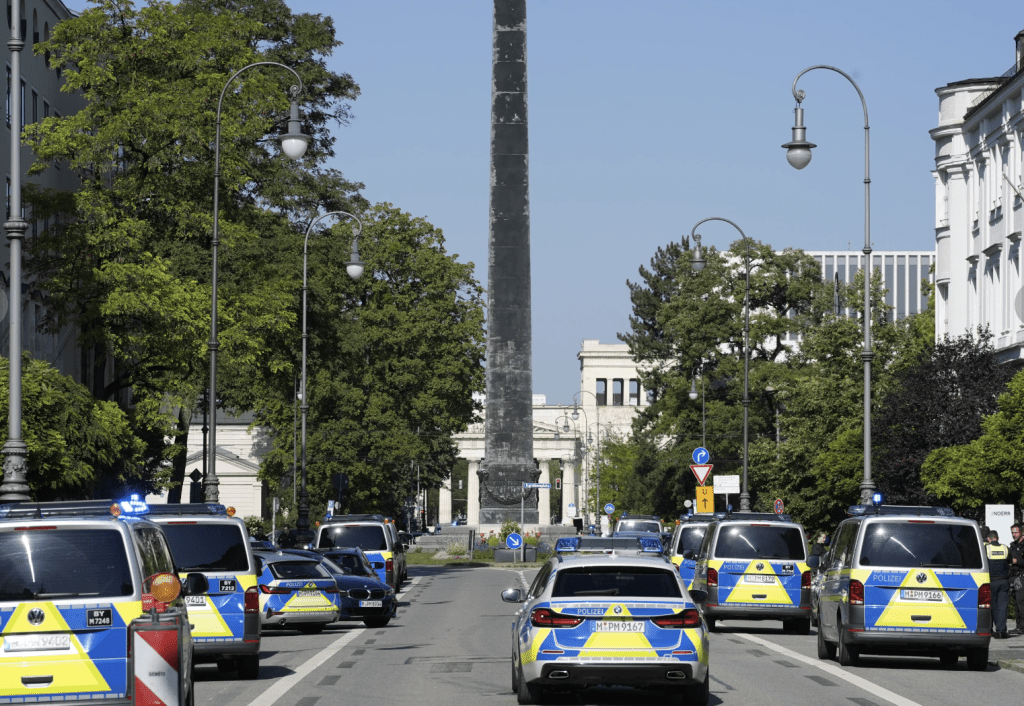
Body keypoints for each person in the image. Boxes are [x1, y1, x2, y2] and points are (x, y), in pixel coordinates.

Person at [986, 530, 1011, 639]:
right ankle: (1001, 631)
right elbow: (1010, 561)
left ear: (989, 539)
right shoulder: (1005, 548)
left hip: (991, 581)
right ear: (997, 538)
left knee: (992, 606)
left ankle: (990, 630)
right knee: (1002, 606)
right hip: (1004, 581)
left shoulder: (986, 548)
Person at [1009, 523, 1024, 636]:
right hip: (1014, 576)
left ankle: (1022, 627)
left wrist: (1016, 561)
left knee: (1021, 602)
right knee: (1016, 602)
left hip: (1022, 576)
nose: (1014, 534)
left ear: (1021, 532)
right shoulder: (1013, 545)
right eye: (1013, 532)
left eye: (1016, 532)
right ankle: (1018, 626)